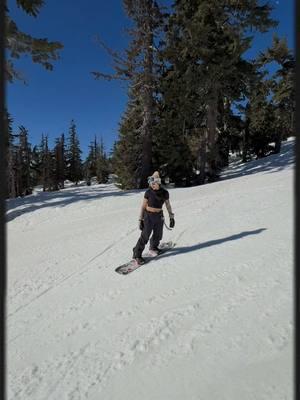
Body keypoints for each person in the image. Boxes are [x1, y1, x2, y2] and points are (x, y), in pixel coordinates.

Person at [132, 171, 175, 265]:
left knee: (158, 234)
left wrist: (171, 217)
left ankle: (153, 247)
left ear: (158, 182)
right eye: (151, 184)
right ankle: (136, 254)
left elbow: (168, 205)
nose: (152, 185)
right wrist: (141, 219)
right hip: (148, 216)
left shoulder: (165, 193)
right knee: (145, 236)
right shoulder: (148, 192)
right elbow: (143, 206)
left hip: (159, 216)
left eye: (154, 183)